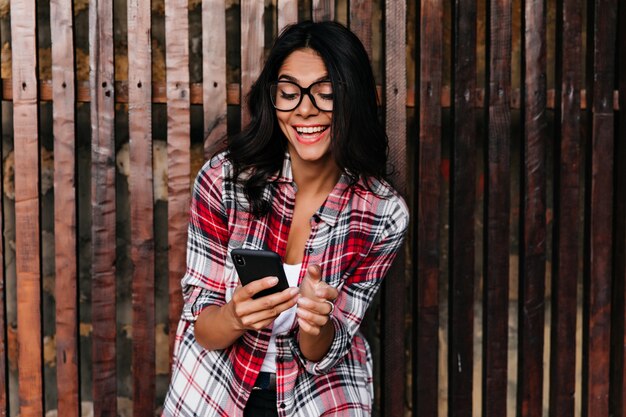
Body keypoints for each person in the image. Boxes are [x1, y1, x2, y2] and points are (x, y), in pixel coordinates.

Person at [163, 20, 409, 417]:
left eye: (326, 94)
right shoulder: (223, 181)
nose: (305, 110)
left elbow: (323, 353)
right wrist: (234, 315)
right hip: (214, 390)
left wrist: (316, 324)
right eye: (290, 93)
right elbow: (203, 328)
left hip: (315, 398)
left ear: (354, 99)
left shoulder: (383, 213)